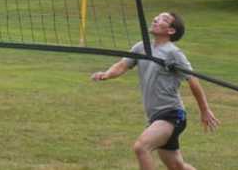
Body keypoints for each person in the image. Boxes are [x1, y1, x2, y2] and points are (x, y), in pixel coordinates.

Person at [90, 12, 219, 170]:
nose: (156, 19)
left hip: (172, 113)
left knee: (141, 147)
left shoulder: (173, 53)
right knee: (176, 166)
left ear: (170, 31)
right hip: (155, 115)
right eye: (157, 17)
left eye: (163, 19)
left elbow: (193, 80)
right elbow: (123, 65)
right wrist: (107, 74)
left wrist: (204, 110)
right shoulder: (141, 47)